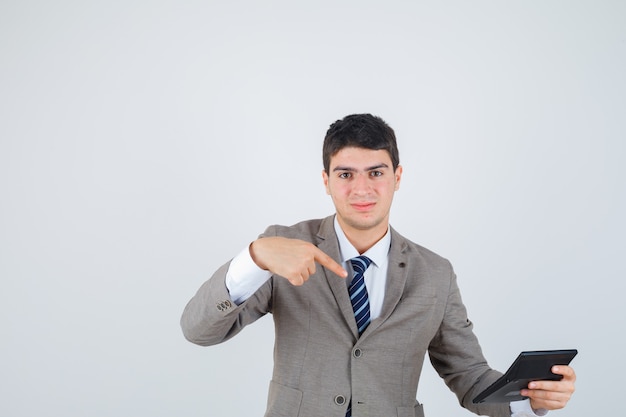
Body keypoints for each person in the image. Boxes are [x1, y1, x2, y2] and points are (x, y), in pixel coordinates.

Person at [180, 114, 576, 417]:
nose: (362, 189)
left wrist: (531, 396)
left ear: (397, 176)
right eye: (346, 174)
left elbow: (469, 375)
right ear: (326, 180)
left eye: (376, 173)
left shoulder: (435, 273)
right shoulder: (285, 246)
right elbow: (198, 331)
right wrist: (255, 257)